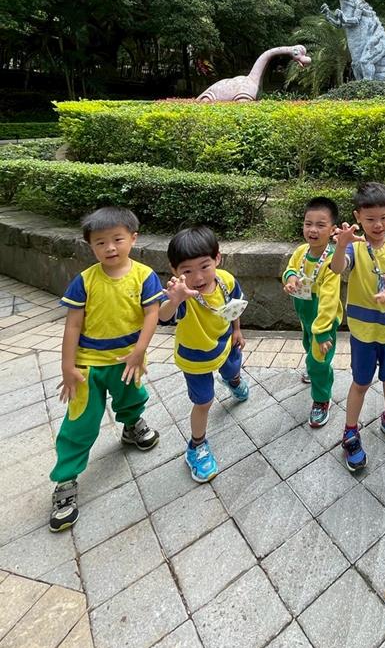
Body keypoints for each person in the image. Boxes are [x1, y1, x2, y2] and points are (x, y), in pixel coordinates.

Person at [49, 207, 164, 532]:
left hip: (128, 360)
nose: (110, 247)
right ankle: (65, 480)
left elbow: (152, 314)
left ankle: (131, 426)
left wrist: (139, 352)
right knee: (80, 422)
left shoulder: (145, 276)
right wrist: (67, 367)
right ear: (91, 246)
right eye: (100, 242)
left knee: (132, 397)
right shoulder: (84, 281)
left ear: (133, 238)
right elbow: (73, 325)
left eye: (117, 239)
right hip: (88, 366)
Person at [328, 182, 385, 472]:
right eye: (370, 219)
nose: (378, 224)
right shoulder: (355, 247)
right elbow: (337, 268)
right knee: (361, 382)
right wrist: (341, 244)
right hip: (364, 332)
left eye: (383, 217)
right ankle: (350, 432)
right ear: (358, 217)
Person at [160, 226, 250, 483]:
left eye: (204, 266)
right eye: (187, 271)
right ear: (175, 270)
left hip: (225, 343)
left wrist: (237, 330)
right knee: (204, 402)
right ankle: (196, 446)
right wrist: (175, 300)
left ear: (217, 258)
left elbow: (234, 307)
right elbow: (163, 316)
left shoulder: (225, 280)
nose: (198, 277)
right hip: (195, 358)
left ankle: (233, 380)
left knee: (232, 369)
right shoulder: (182, 294)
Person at [282, 196, 343, 428]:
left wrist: (323, 331)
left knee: (319, 360)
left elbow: (329, 300)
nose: (313, 230)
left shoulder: (332, 261)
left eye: (320, 225)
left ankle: (321, 399)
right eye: (308, 224)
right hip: (305, 315)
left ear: (333, 230)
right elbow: (289, 269)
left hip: (323, 322)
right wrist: (290, 279)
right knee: (308, 346)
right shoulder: (301, 251)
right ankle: (313, 368)